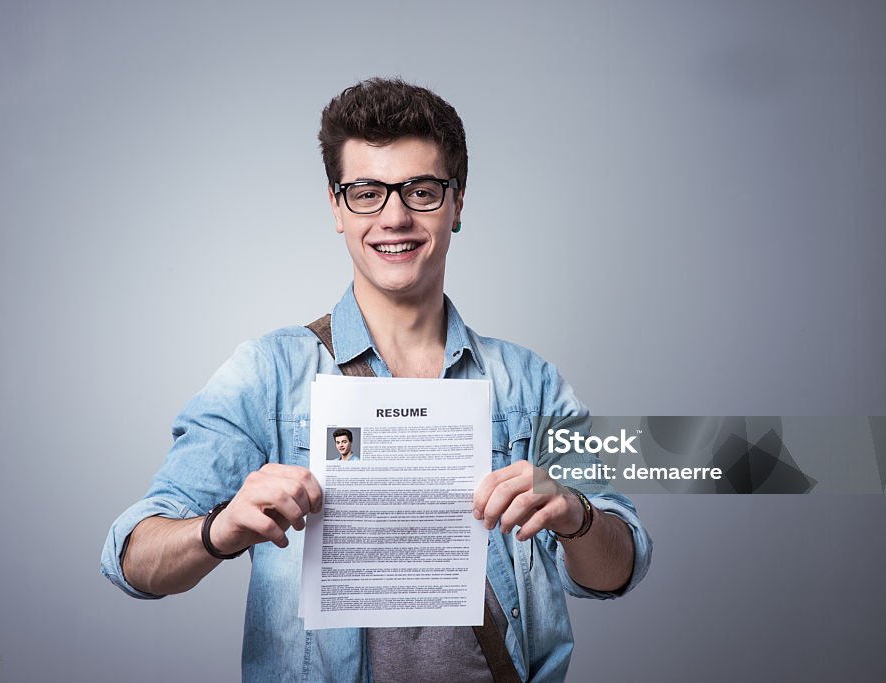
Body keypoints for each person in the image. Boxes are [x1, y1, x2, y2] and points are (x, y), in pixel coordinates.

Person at [101, 77, 652, 682]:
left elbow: (618, 569)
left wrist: (574, 514)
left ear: (458, 202)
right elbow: (133, 559)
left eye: (420, 190)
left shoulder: (530, 383)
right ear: (337, 207)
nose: (394, 217)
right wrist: (221, 528)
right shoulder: (270, 374)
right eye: (365, 192)